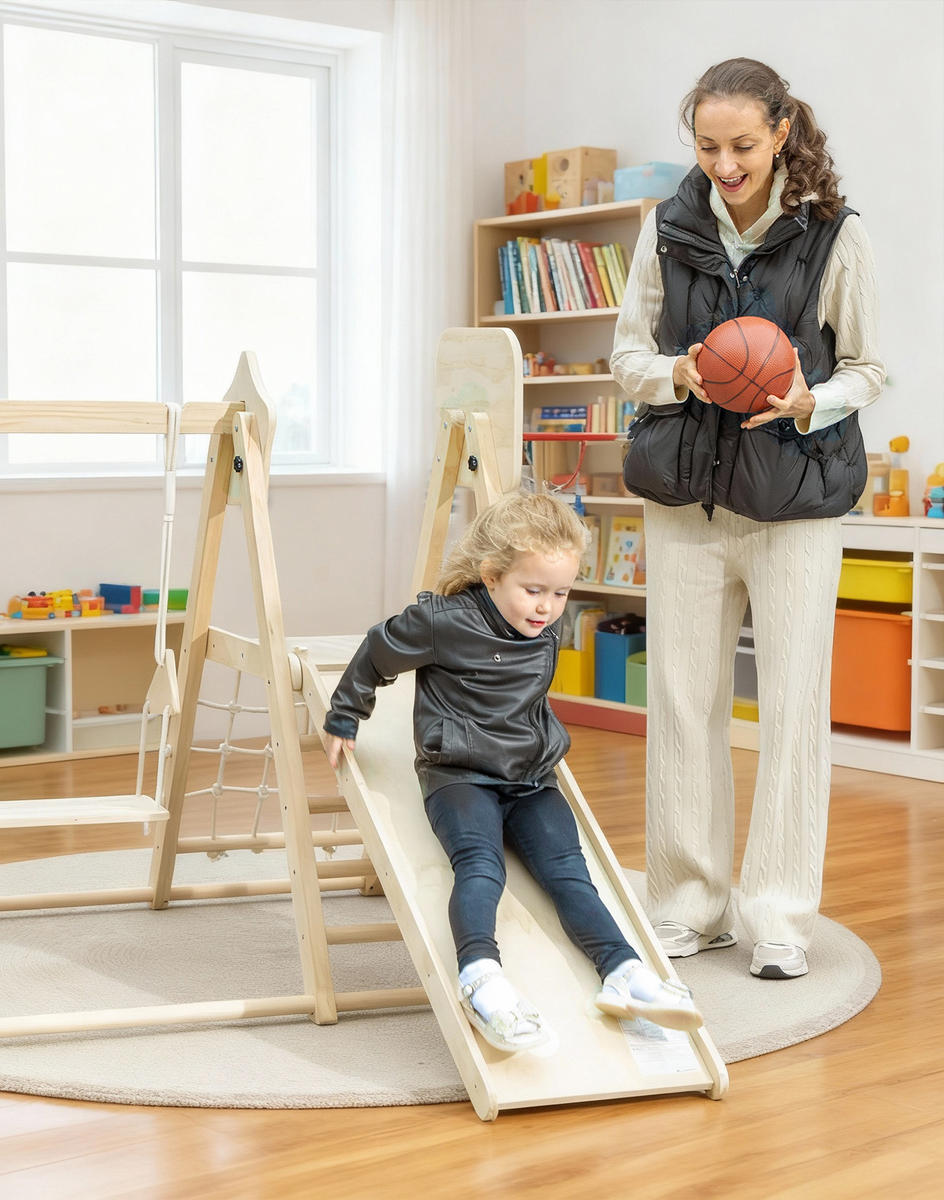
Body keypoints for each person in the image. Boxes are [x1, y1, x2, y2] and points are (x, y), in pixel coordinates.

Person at [611, 58, 885, 980]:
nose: (724, 165)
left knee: (792, 708)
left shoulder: (833, 236)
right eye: (705, 146)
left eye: (742, 146)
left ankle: (774, 913)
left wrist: (812, 400)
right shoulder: (668, 227)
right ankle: (689, 901)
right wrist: (679, 373)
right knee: (682, 703)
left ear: (781, 134)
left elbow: (871, 369)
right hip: (686, 499)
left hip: (795, 502)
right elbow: (626, 357)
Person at [322, 491, 702, 1053]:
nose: (547, 607)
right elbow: (379, 651)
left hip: (530, 778)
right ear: (492, 575)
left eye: (561, 592)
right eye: (533, 590)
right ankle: (479, 977)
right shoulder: (442, 622)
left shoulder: (537, 622)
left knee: (569, 873)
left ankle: (623, 971)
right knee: (481, 865)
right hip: (460, 776)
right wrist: (345, 714)